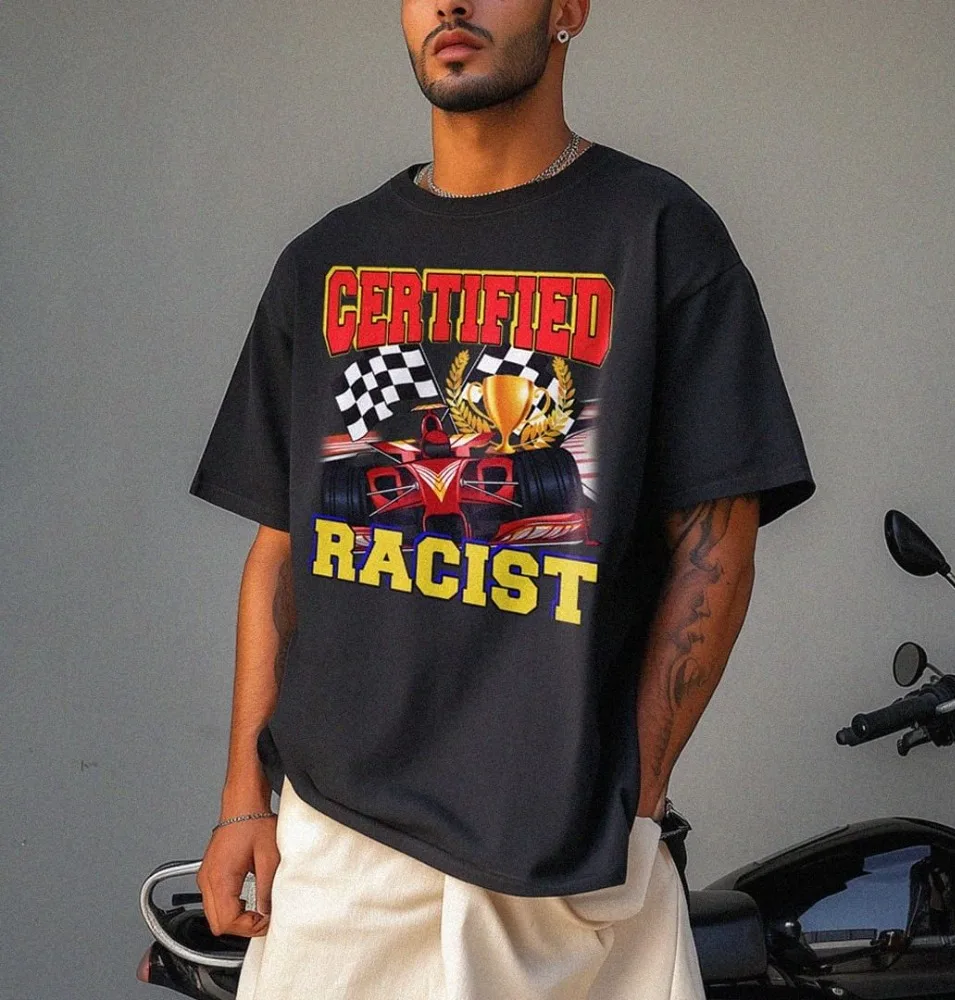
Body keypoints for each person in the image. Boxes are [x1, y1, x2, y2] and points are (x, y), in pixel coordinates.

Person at [189, 1, 816, 997]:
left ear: (567, 8)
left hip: (564, 866)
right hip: (341, 850)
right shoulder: (325, 262)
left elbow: (716, 547)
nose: (451, 4)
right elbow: (280, 553)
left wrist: (635, 806)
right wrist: (241, 799)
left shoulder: (658, 236)